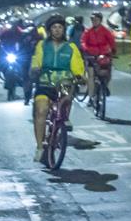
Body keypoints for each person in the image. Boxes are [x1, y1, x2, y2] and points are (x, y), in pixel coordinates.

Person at [30, 14, 85, 162]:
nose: (57, 30)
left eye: (60, 27)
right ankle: (40, 147)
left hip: (64, 84)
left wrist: (79, 75)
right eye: (54, 27)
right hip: (45, 84)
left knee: (66, 98)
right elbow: (36, 60)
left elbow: (77, 65)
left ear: (64, 29)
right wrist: (35, 69)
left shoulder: (71, 47)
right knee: (41, 110)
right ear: (49, 30)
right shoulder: (42, 45)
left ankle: (63, 119)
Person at [81, 11, 117, 102]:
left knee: (108, 72)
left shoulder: (106, 31)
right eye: (93, 20)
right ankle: (91, 96)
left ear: (100, 20)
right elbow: (83, 42)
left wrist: (113, 51)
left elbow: (112, 42)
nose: (94, 21)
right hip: (91, 56)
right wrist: (86, 49)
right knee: (91, 76)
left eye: (96, 20)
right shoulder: (88, 32)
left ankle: (105, 86)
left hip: (104, 55)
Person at [19, 19, 42, 104]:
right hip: (31, 60)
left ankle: (27, 97)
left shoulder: (23, 36)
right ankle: (30, 96)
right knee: (36, 79)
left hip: (29, 60)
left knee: (27, 79)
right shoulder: (39, 37)